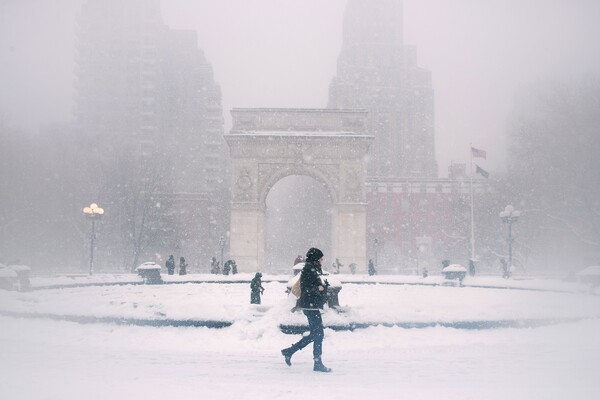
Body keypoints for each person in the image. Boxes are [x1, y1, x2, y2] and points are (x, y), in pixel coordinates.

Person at [280, 247, 332, 373]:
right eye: (321, 258)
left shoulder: (311, 268)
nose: (322, 260)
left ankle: (290, 351)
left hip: (311, 305)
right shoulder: (309, 269)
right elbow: (306, 287)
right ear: (316, 258)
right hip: (310, 306)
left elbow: (310, 286)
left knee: (316, 334)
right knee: (318, 334)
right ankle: (317, 363)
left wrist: (322, 288)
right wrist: (318, 288)